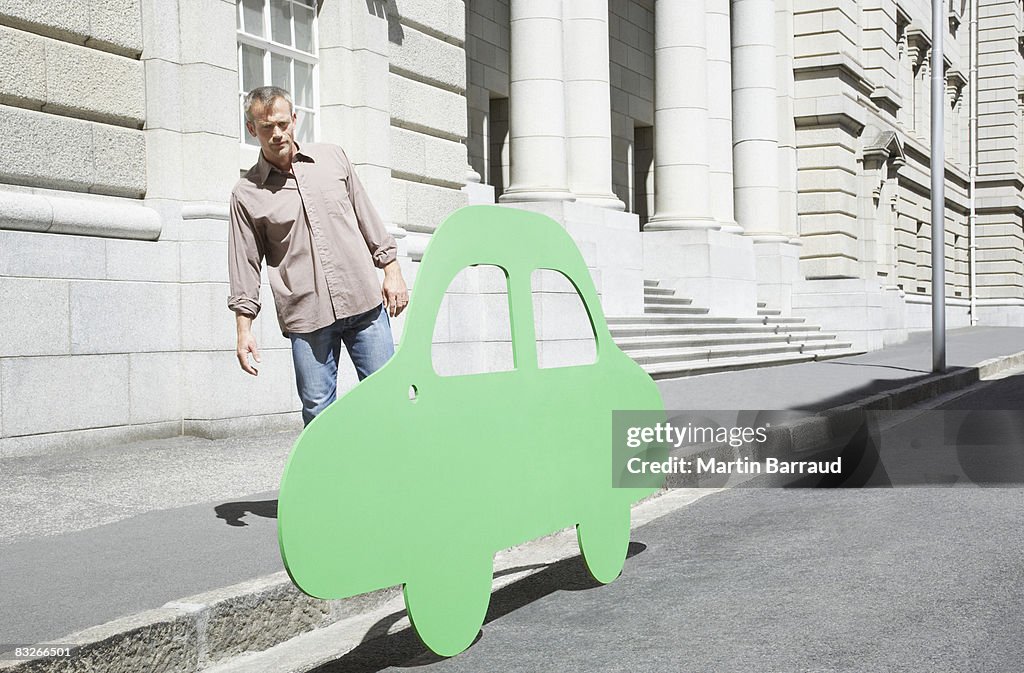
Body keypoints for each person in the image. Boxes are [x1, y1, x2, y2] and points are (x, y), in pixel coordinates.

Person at [227, 86, 409, 426]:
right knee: (318, 412)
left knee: (389, 397)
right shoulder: (246, 194)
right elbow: (244, 266)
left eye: (282, 123)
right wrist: (244, 330)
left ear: (295, 119)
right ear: (252, 128)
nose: (277, 133)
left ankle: (394, 477)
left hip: (363, 303)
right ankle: (330, 480)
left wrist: (392, 269)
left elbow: (366, 215)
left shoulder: (333, 158)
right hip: (307, 316)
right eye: (266, 127)